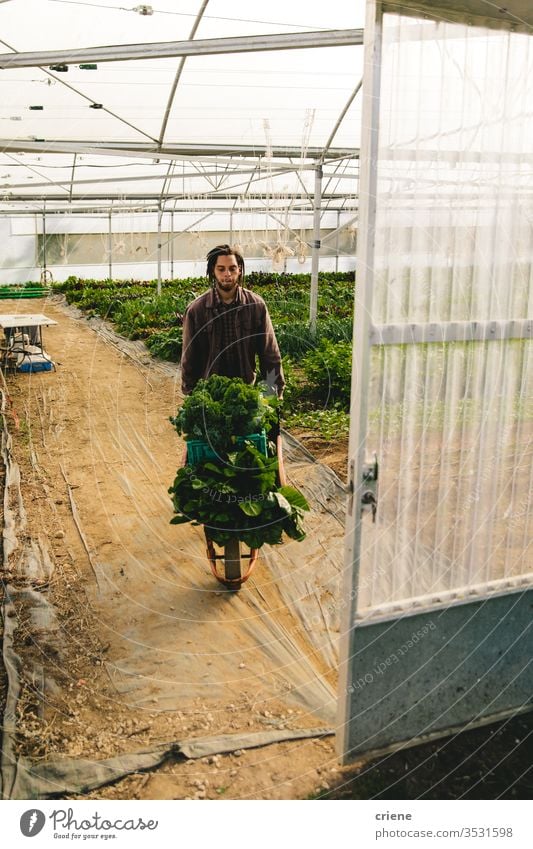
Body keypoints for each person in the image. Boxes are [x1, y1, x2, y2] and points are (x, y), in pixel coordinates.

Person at [180, 244, 285, 398]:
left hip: (245, 391)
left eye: (232, 268)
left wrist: (274, 392)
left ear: (239, 270)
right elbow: (189, 358)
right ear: (213, 271)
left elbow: (269, 354)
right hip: (210, 392)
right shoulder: (197, 310)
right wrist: (192, 395)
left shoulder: (255, 306)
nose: (227, 274)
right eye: (221, 269)